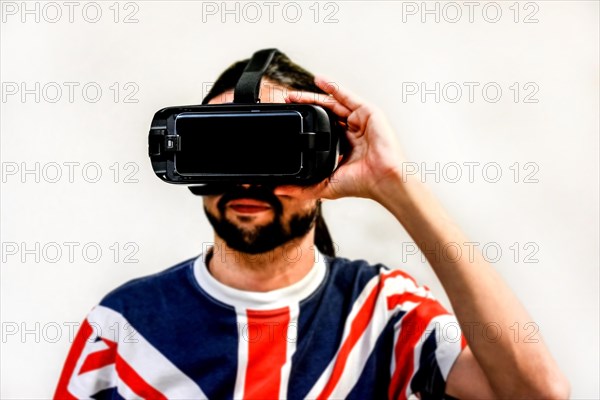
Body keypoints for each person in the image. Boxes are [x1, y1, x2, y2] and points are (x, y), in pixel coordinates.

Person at [54, 51, 569, 399]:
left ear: (325, 162)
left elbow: (536, 392)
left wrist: (396, 184)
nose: (248, 182)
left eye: (275, 151)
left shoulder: (383, 314)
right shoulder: (121, 328)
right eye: (222, 150)